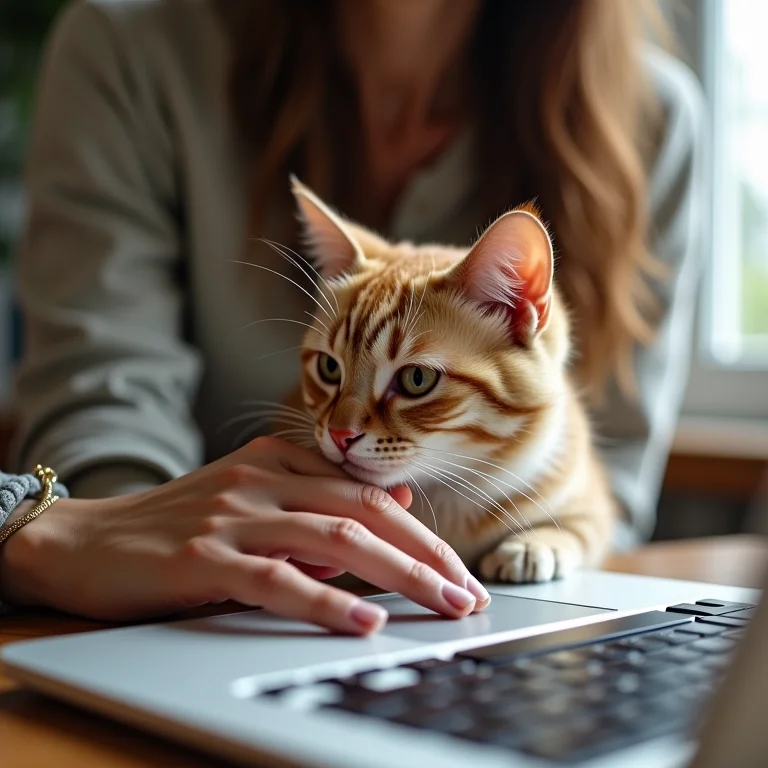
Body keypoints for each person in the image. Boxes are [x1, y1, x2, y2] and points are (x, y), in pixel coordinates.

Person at [0, 0, 704, 630]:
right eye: (332, 372)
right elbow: (101, 415)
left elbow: (609, 498)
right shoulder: (130, 47)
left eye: (416, 382)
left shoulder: (653, 116)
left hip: (503, 627)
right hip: (233, 615)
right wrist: (148, 560)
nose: (343, 428)